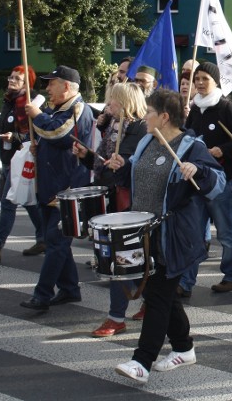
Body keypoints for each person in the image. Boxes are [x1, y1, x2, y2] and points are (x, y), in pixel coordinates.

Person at [109, 88, 226, 384]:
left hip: (174, 235)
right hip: (143, 232)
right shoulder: (147, 140)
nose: (143, 116)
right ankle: (184, 348)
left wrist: (197, 170)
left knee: (158, 295)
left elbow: (217, 183)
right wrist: (121, 168)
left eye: (149, 112)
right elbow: (137, 180)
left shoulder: (191, 146)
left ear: (164, 117)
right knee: (159, 293)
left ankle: (142, 361)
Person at [76, 82, 148, 338]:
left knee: (121, 261)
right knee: (131, 258)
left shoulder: (140, 128)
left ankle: (116, 317)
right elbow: (104, 165)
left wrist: (123, 163)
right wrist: (86, 156)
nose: (108, 107)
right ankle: (148, 302)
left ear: (125, 102)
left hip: (130, 202)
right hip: (114, 198)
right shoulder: (115, 128)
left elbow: (134, 165)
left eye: (112, 102)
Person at [19, 65, 94, 311]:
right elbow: (49, 137)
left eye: (52, 83)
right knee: (56, 242)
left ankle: (42, 295)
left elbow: (59, 135)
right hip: (51, 185)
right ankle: (70, 289)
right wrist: (38, 146)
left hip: (67, 186)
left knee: (56, 242)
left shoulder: (77, 108)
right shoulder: (58, 108)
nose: (47, 88)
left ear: (66, 86)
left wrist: (36, 116)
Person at [179, 62, 232, 296]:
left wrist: (223, 149)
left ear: (216, 81)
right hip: (197, 180)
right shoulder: (194, 110)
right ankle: (186, 282)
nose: (199, 83)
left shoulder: (226, 108)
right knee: (194, 232)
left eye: (204, 79)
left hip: (221, 179)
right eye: (196, 78)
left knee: (225, 231)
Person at [0, 65, 45, 263]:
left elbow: (35, 133)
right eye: (11, 77)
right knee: (29, 202)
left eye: (17, 79)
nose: (11, 81)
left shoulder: (29, 104)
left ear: (26, 85)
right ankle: (44, 237)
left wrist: (15, 137)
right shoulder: (10, 101)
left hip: (20, 161)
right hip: (9, 160)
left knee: (8, 202)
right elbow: (0, 126)